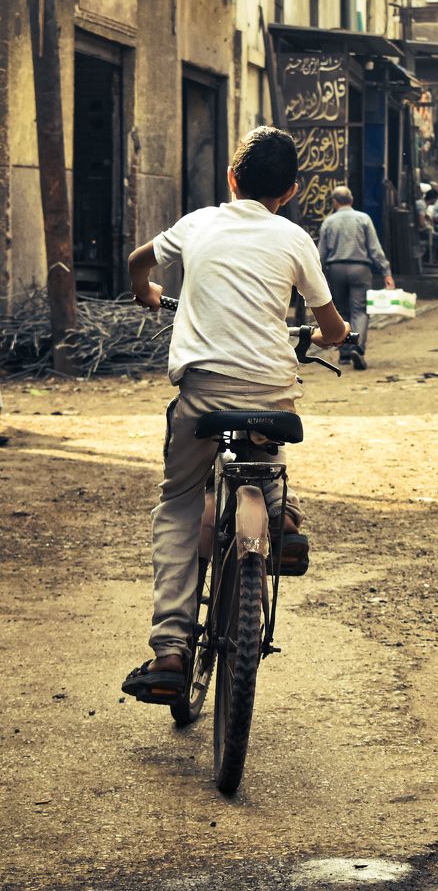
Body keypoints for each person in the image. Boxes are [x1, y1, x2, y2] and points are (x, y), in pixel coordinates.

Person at [121, 126, 349, 703]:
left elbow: (137, 261)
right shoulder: (296, 239)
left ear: (231, 178)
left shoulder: (197, 223)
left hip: (202, 392)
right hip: (269, 392)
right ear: (292, 191)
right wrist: (331, 336)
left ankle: (171, 650)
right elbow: (329, 327)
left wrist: (145, 289)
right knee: (263, 453)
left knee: (178, 503)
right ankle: (280, 518)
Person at [318, 185, 395, 371]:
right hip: (360, 269)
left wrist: (317, 275)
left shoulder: (329, 222)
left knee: (342, 312)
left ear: (335, 202)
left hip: (336, 269)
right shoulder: (363, 219)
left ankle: (344, 352)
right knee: (359, 310)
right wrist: (386, 272)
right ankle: (358, 348)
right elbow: (375, 249)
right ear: (351, 200)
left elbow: (321, 253)